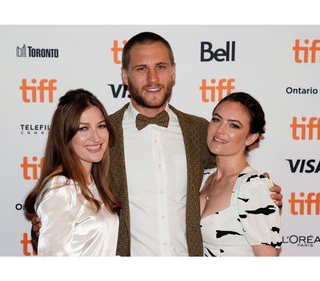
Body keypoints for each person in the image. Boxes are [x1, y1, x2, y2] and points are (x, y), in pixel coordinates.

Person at [31, 31, 283, 256]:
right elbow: (75, 196)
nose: (153, 78)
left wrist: (261, 193)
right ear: (125, 76)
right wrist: (46, 223)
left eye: (161, 67)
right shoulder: (105, 134)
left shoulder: (199, 131)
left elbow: (229, 172)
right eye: (141, 68)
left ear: (173, 72)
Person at [24, 88, 121, 256]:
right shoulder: (61, 190)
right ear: (65, 135)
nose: (96, 137)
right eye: (83, 128)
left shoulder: (94, 183)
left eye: (101, 126)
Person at [200, 92, 282, 256]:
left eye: (234, 125)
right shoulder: (203, 177)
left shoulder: (254, 187)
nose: (220, 130)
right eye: (216, 119)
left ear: (251, 137)